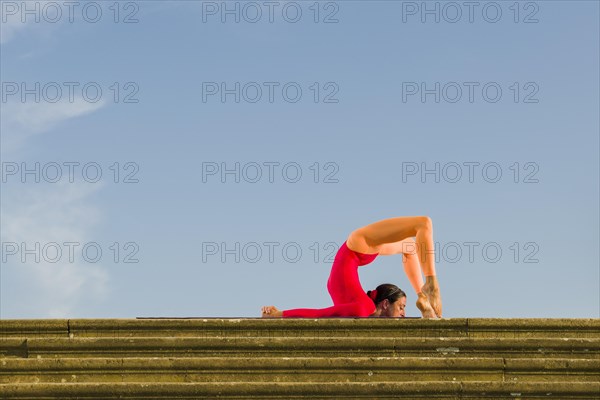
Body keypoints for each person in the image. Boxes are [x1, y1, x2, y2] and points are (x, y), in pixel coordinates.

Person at [261, 216, 442, 319]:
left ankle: (424, 294)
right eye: (402, 307)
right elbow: (319, 313)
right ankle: (428, 287)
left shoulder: (362, 308)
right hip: (359, 245)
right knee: (420, 229)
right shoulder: (363, 308)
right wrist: (279, 314)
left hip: (358, 250)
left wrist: (280, 313)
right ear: (385, 303)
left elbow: (321, 313)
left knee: (414, 239)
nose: (403, 314)